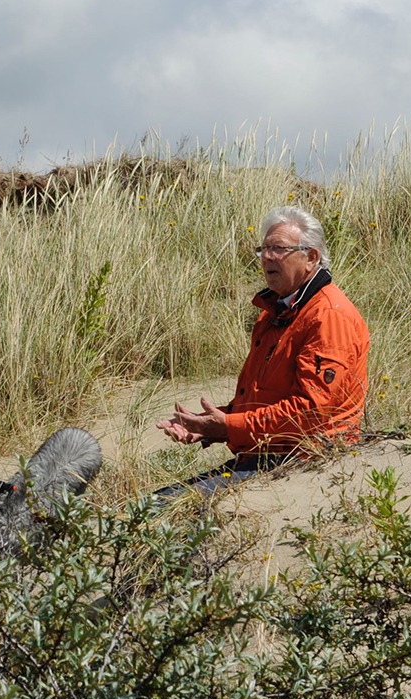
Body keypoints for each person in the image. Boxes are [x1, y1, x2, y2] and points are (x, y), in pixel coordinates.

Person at [155, 205, 370, 498]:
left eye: (279, 248)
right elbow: (266, 402)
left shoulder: (328, 316)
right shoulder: (276, 312)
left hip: (307, 460)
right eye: (264, 249)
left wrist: (229, 426)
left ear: (310, 257)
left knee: (163, 508)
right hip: (266, 455)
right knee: (153, 505)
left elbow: (311, 412)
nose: (267, 257)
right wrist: (209, 425)